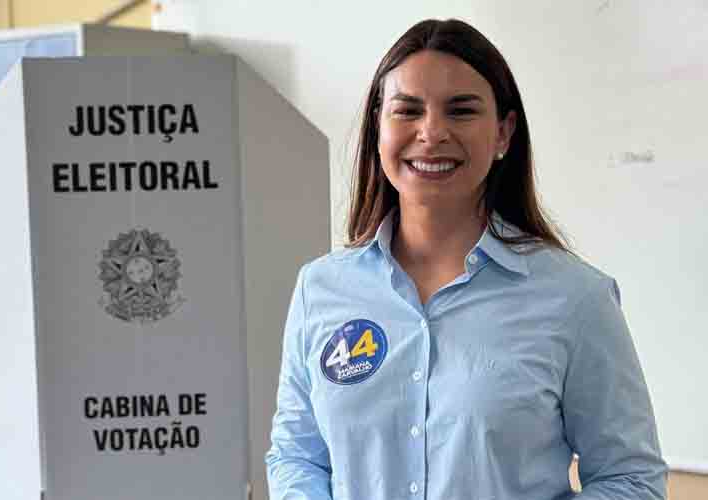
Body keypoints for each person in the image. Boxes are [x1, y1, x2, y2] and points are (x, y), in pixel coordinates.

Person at [265, 18, 666, 500]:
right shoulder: (320, 289)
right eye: (407, 110)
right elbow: (296, 456)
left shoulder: (575, 297)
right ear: (377, 127)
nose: (431, 133)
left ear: (503, 133)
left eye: (461, 111)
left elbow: (631, 479)